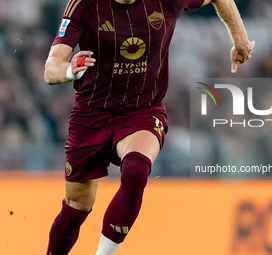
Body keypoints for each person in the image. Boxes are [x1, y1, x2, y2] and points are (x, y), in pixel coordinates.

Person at [44, 0, 255, 253]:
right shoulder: (84, 4)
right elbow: (51, 68)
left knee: (135, 171)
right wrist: (69, 70)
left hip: (142, 110)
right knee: (77, 206)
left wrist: (240, 39)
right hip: (90, 115)